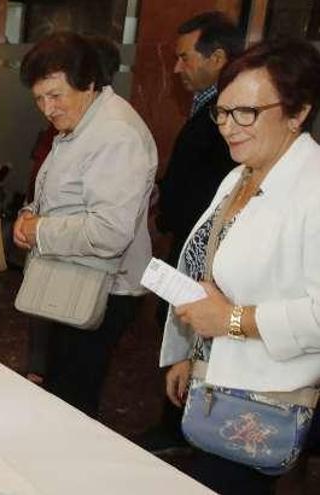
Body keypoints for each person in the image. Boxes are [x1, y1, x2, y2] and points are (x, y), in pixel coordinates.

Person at [159, 39, 320, 495]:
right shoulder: (241, 173)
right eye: (222, 113)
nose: (229, 127)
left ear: (297, 111)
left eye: (245, 113)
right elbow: (214, 275)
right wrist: (194, 353)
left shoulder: (313, 188)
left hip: (268, 398)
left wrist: (229, 321)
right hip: (220, 383)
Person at [13, 32, 157, 417]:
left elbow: (109, 232)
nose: (48, 108)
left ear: (89, 82)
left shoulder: (114, 134)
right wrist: (30, 213)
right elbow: (62, 193)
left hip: (102, 288)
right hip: (72, 275)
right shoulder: (83, 122)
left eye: (56, 95)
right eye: (40, 99)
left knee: (73, 399)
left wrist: (39, 230)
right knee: (58, 386)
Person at [138, 11, 241, 455]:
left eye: (185, 58)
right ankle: (173, 419)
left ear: (217, 57)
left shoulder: (227, 121)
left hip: (209, 260)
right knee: (176, 330)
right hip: (186, 243)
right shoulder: (205, 106)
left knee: (195, 333)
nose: (177, 68)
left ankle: (184, 429)